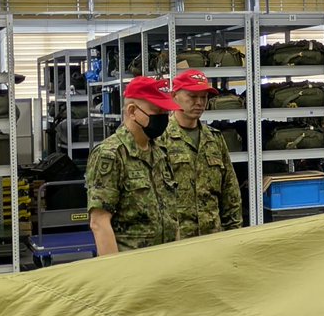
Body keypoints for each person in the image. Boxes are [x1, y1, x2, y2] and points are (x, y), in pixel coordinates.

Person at [86, 76, 179, 254]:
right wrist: (116, 273)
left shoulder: (159, 152)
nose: (162, 118)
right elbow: (99, 222)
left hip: (165, 262)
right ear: (132, 111)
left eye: (164, 113)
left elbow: (171, 216)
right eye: (156, 111)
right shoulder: (111, 154)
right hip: (131, 266)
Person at [163, 70, 243, 238]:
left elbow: (231, 192)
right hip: (175, 242)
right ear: (174, 96)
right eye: (192, 97)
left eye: (204, 97)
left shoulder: (214, 139)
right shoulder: (160, 140)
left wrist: (234, 235)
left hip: (212, 238)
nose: (199, 103)